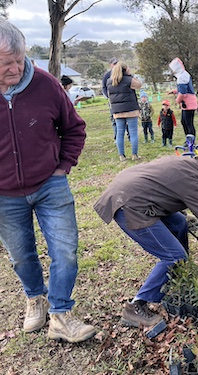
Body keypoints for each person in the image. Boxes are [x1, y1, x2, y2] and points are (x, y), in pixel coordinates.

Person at [0, 19, 96, 342]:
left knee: (66, 250)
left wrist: (63, 166)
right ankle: (35, 299)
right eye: (5, 64)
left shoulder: (46, 84)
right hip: (4, 195)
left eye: (19, 60)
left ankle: (61, 313)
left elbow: (75, 128)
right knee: (21, 255)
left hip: (49, 184)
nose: (15, 69)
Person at [93, 152, 198, 327]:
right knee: (173, 255)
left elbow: (165, 187)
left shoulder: (190, 166)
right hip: (130, 205)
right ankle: (136, 306)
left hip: (131, 192)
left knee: (179, 222)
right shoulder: (196, 181)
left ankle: (180, 273)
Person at [106, 61, 142, 161]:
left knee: (119, 133)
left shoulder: (110, 81)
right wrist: (130, 75)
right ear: (125, 69)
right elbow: (139, 85)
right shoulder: (128, 79)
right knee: (133, 132)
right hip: (131, 109)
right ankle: (134, 155)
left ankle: (121, 156)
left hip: (117, 111)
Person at [168, 57, 198, 138]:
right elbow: (183, 89)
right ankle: (188, 139)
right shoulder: (184, 75)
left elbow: (183, 93)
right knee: (184, 121)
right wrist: (174, 91)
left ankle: (191, 141)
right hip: (187, 104)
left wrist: (177, 100)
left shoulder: (182, 77)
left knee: (188, 123)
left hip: (189, 104)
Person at [102, 57, 118, 139]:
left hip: (121, 99)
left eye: (117, 63)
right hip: (112, 100)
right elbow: (103, 87)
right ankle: (116, 136)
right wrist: (108, 97)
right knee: (114, 119)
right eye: (114, 64)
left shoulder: (122, 73)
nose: (116, 65)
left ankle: (129, 136)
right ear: (111, 65)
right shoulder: (107, 75)